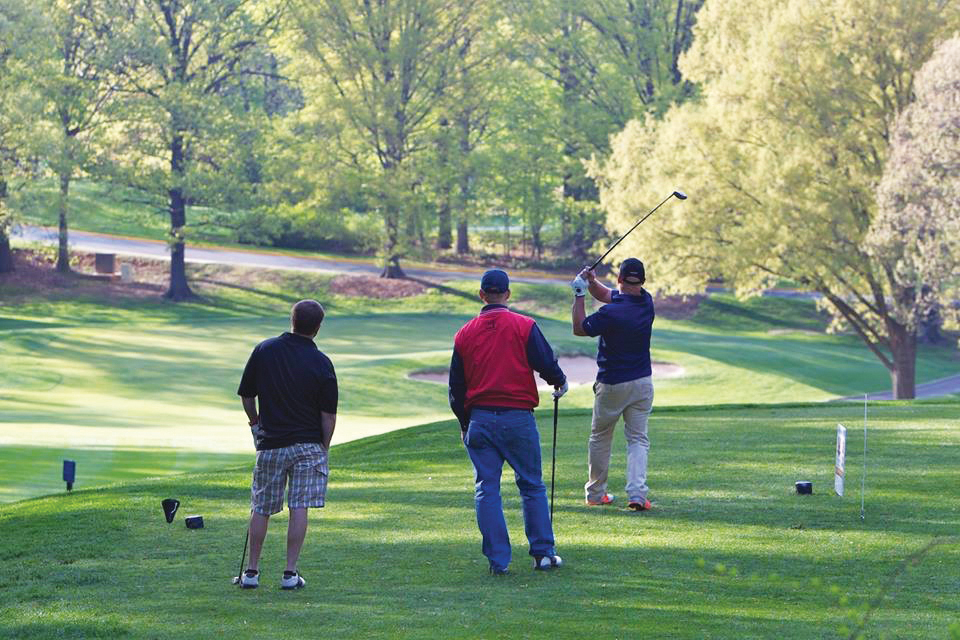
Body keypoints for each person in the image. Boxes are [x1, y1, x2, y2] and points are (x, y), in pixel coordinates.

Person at [449, 269, 569, 575]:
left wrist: (465, 422)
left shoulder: (464, 334)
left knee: (486, 489)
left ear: (481, 295)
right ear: (508, 294)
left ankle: (498, 562)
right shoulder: (524, 325)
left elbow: (456, 389)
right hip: (517, 418)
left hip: (480, 419)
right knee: (531, 485)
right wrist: (559, 382)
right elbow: (545, 362)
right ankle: (543, 553)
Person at [236, 299, 338, 589]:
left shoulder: (265, 350)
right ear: (317, 328)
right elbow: (328, 416)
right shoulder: (321, 362)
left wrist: (255, 424)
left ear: (291, 320)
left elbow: (246, 395)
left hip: (271, 442)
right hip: (307, 444)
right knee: (299, 506)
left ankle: (252, 572)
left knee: (262, 506)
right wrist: (324, 447)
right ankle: (290, 573)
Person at [570, 258, 655, 511]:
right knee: (638, 439)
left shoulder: (609, 313)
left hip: (612, 385)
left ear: (619, 279)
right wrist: (592, 282)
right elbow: (609, 295)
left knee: (600, 437)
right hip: (642, 383)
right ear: (642, 281)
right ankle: (637, 495)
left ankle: (596, 494)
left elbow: (579, 329)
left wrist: (579, 294)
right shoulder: (646, 301)